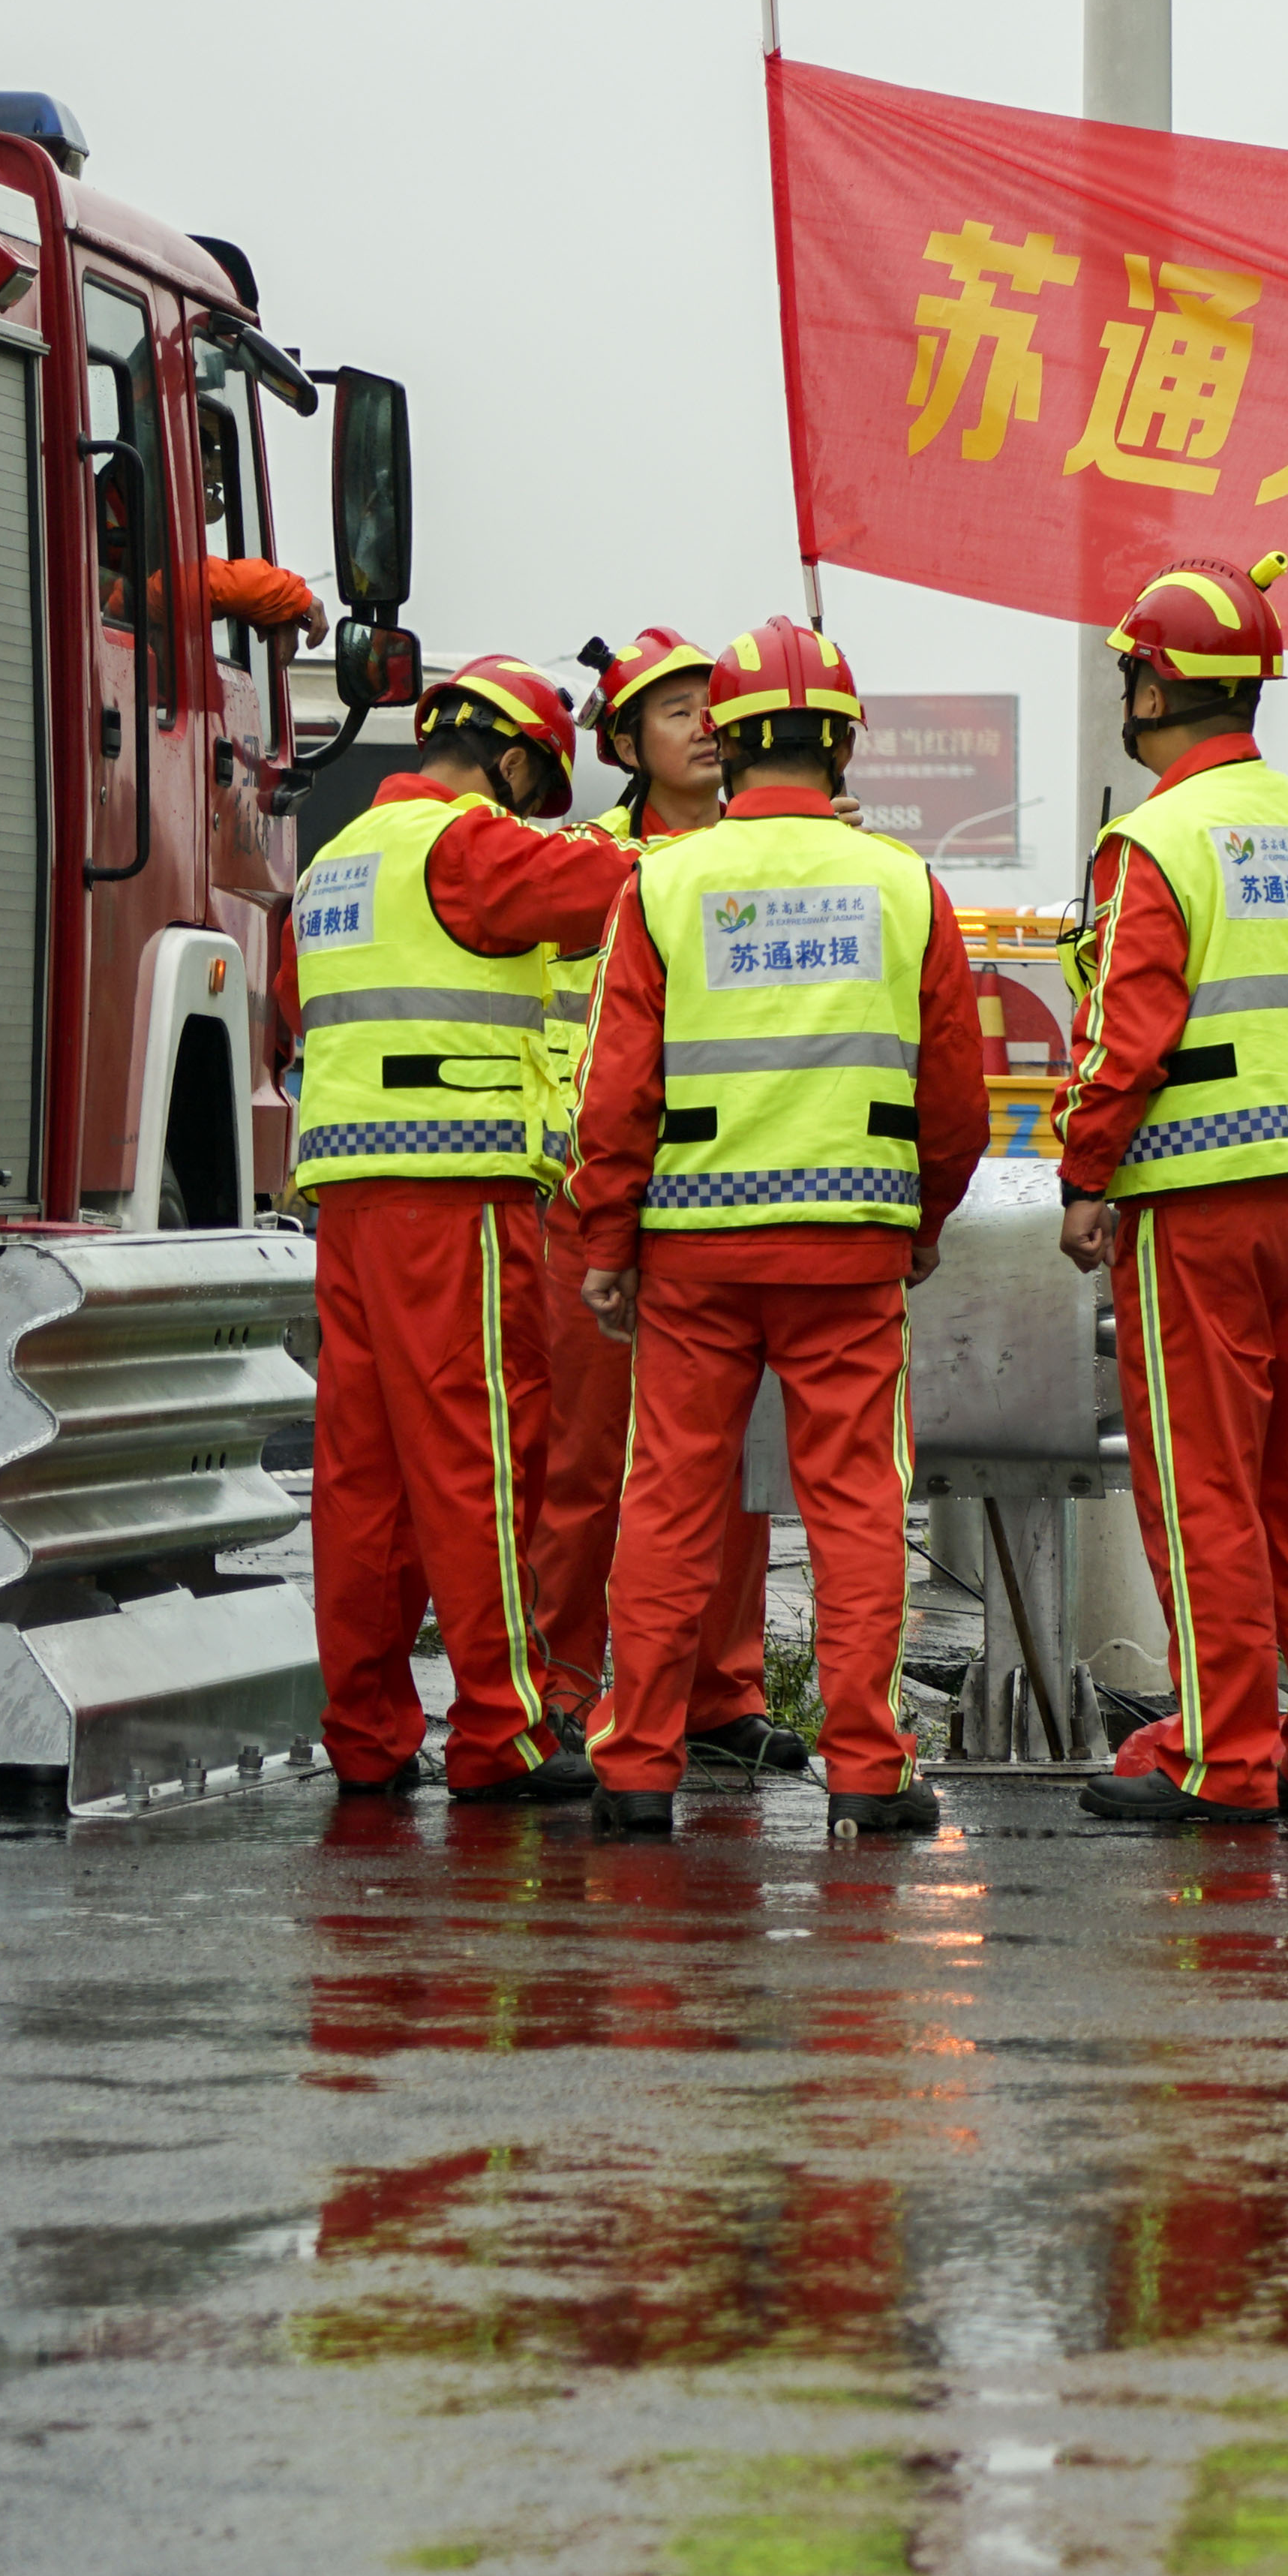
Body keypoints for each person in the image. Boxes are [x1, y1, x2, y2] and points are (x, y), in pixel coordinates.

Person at [566, 618, 994, 1841]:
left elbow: (616, 1089)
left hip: (694, 1249)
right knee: (856, 1503)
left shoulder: (662, 883)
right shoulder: (905, 884)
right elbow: (955, 1095)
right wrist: (925, 1217)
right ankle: (868, 1767)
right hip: (851, 1246)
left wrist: (607, 1242)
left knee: (668, 1498)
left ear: (729, 740)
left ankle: (637, 1765)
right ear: (843, 746)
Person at [1054, 550, 1288, 1830]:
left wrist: (1085, 1174)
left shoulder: (1155, 841)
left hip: (1194, 1200)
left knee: (1205, 1485)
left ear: (1155, 690)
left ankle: (1223, 1753)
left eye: (1131, 679)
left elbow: (1124, 1035)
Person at [288, 657, 618, 1802]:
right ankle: (502, 1731)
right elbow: (615, 890)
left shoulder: (334, 864)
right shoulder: (468, 847)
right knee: (484, 1458)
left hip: (349, 1196)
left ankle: (367, 1733)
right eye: (536, 796)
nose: (532, 820)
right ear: (512, 761)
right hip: (455, 1191)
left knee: (364, 1477)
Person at [524, 626, 803, 1781]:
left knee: (733, 1469)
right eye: (675, 710)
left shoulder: (776, 855)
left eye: (713, 708)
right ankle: (563, 1689)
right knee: (584, 1460)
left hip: (727, 1194)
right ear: (626, 743)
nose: (702, 728)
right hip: (590, 1197)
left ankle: (717, 1692)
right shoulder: (576, 864)